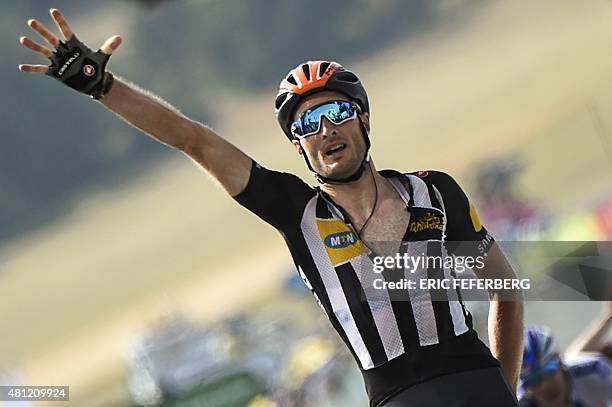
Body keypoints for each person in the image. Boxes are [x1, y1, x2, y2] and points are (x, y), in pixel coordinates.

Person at [18, 9, 524, 406]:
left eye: (334, 111)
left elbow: (506, 290)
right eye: (307, 125)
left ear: (364, 119)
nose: (324, 130)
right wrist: (102, 86)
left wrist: (503, 391)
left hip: (479, 381)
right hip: (397, 397)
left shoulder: (435, 192)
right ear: (299, 149)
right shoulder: (296, 212)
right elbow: (195, 141)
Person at [519, 304, 612, 407]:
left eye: (548, 372)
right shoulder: (519, 402)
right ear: (524, 388)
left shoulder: (595, 373)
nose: (545, 386)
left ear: (561, 364)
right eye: (532, 381)